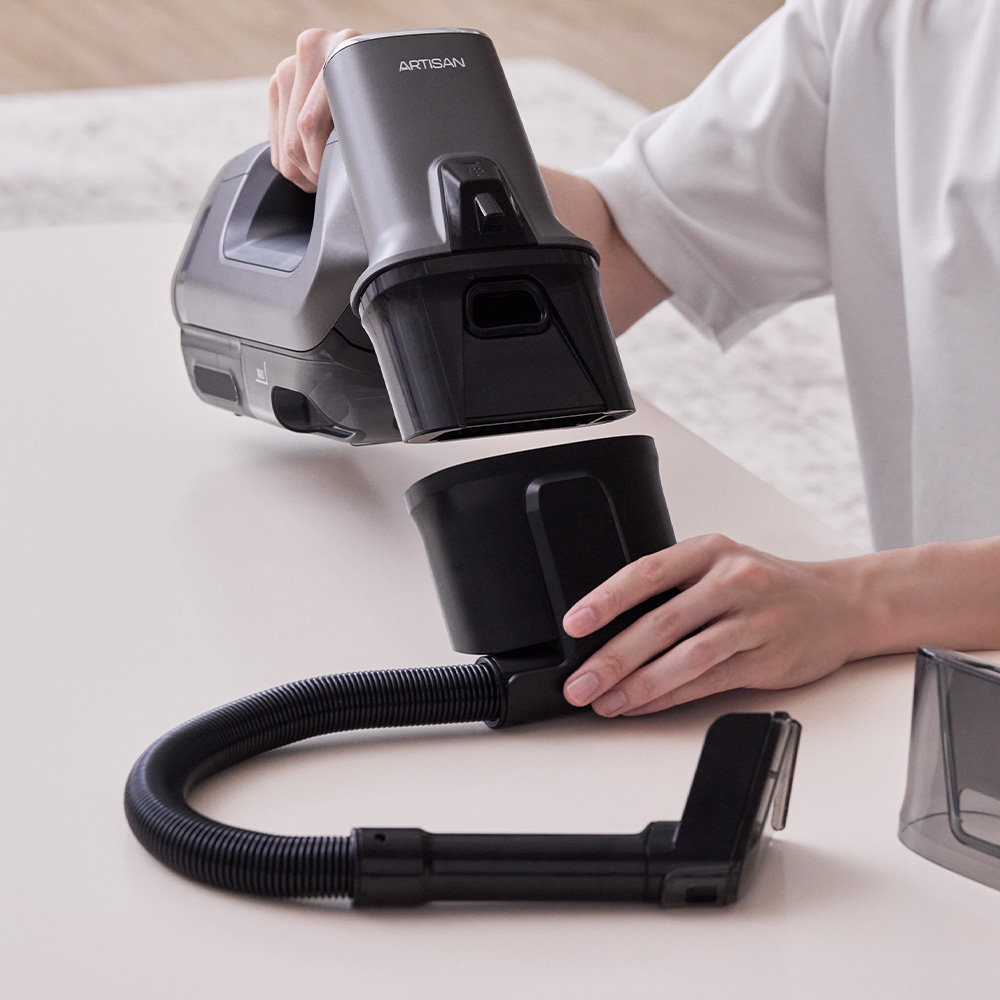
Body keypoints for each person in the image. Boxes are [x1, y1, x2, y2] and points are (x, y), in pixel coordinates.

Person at [267, 6, 1000, 718]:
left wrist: (862, 602)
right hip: (935, 677)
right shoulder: (886, 21)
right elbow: (623, 242)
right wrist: (402, 140)